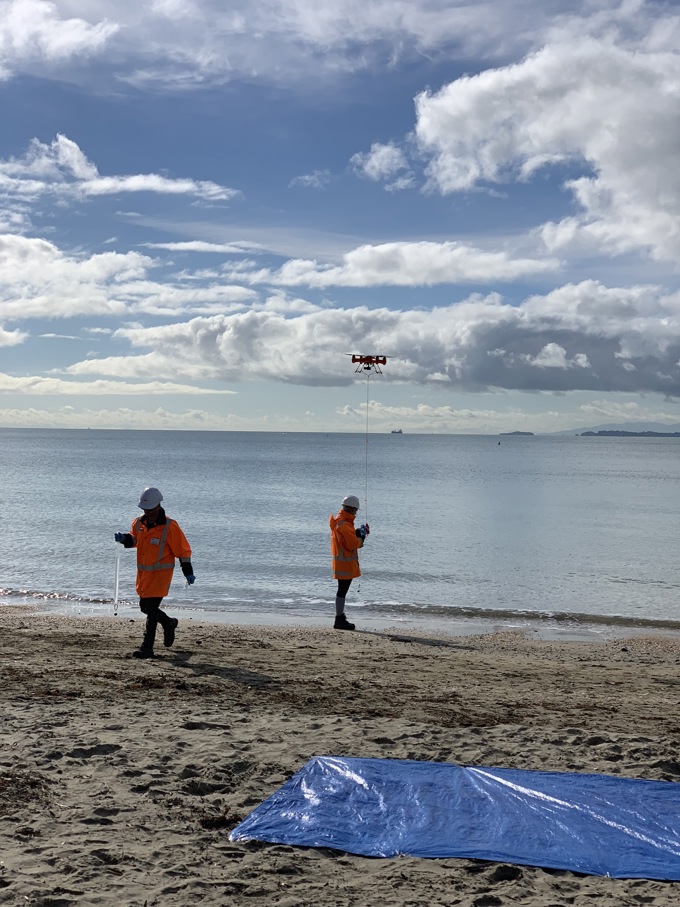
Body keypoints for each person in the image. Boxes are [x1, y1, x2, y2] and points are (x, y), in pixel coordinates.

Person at [115, 487, 195, 659]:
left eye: (150, 510)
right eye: (145, 510)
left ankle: (147, 647)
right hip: (144, 576)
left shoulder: (170, 527)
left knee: (150, 609)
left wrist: (188, 572)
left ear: (158, 506)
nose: (148, 513)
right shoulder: (138, 523)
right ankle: (169, 623)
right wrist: (125, 539)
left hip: (160, 576)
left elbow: (183, 551)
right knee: (145, 607)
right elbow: (135, 539)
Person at [329, 494, 369, 631]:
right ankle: (339, 618)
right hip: (345, 564)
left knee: (342, 591)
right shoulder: (344, 524)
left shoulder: (342, 522)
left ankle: (340, 617)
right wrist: (361, 537)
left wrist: (357, 532)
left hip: (342, 563)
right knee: (342, 591)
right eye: (356, 511)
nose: (356, 513)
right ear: (352, 509)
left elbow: (347, 538)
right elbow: (353, 544)